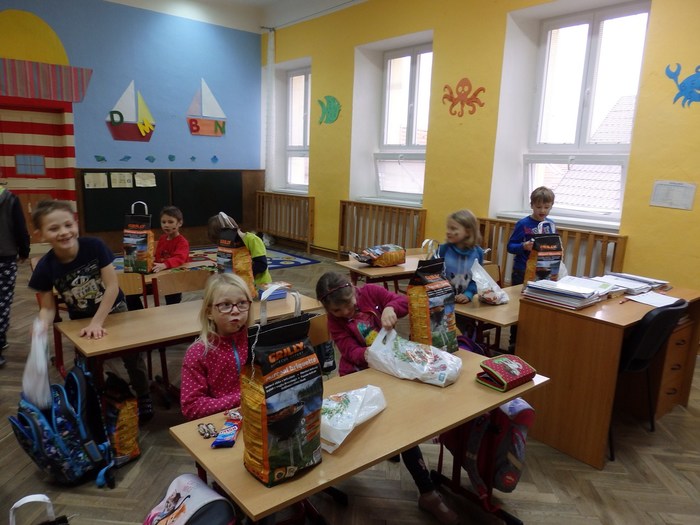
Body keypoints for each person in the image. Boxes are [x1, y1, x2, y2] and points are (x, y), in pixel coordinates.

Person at [315, 271, 460, 525]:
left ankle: (427, 492)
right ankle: (428, 492)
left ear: (354, 291)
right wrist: (368, 354)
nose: (346, 312)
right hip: (359, 374)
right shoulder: (333, 321)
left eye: (348, 304)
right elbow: (348, 350)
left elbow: (402, 302)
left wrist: (390, 309)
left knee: (403, 426)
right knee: (391, 427)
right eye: (337, 310)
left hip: (392, 367)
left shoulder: (370, 293)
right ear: (328, 309)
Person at [28, 200, 153, 424]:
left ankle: (143, 395)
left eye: (68, 225)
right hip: (81, 321)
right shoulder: (45, 267)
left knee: (132, 357)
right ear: (40, 234)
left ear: (76, 223)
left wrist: (97, 322)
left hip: (115, 311)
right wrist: (41, 324)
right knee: (88, 364)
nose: (64, 232)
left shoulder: (94, 246)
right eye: (54, 228)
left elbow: (112, 287)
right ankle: (97, 400)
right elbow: (47, 308)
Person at [180, 272, 251, 420]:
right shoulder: (198, 353)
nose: (235, 310)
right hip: (221, 421)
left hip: (259, 415)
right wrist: (243, 397)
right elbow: (191, 406)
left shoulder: (257, 340)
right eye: (225, 305)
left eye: (242, 303)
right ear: (209, 312)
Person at [506, 186, 556, 349]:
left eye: (546, 207)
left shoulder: (550, 224)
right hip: (522, 271)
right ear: (532, 205)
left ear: (551, 206)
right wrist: (524, 246)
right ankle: (513, 342)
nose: (542, 210)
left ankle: (532, 342)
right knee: (519, 309)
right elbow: (510, 246)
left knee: (538, 307)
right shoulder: (523, 224)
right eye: (538, 206)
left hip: (542, 271)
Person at [0, 185, 31, 368]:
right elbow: (20, 228)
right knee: (2, 301)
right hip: (5, 258)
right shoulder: (10, 198)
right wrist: (24, 251)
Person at [207, 212, 271, 286]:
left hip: (259, 285)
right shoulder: (228, 244)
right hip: (239, 284)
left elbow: (261, 265)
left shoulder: (252, 240)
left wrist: (240, 275)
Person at [438, 209, 484, 304]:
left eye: (453, 229)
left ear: (468, 232)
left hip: (465, 303)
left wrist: (468, 294)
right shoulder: (443, 250)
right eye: (448, 228)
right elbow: (430, 274)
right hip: (443, 302)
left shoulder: (478, 253)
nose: (448, 232)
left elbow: (477, 279)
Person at [153, 205, 190, 304]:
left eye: (170, 222)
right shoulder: (162, 238)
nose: (166, 225)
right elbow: (158, 256)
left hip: (175, 278)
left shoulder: (182, 242)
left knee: (172, 300)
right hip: (161, 275)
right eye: (163, 222)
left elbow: (179, 258)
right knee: (133, 293)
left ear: (180, 223)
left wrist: (165, 264)